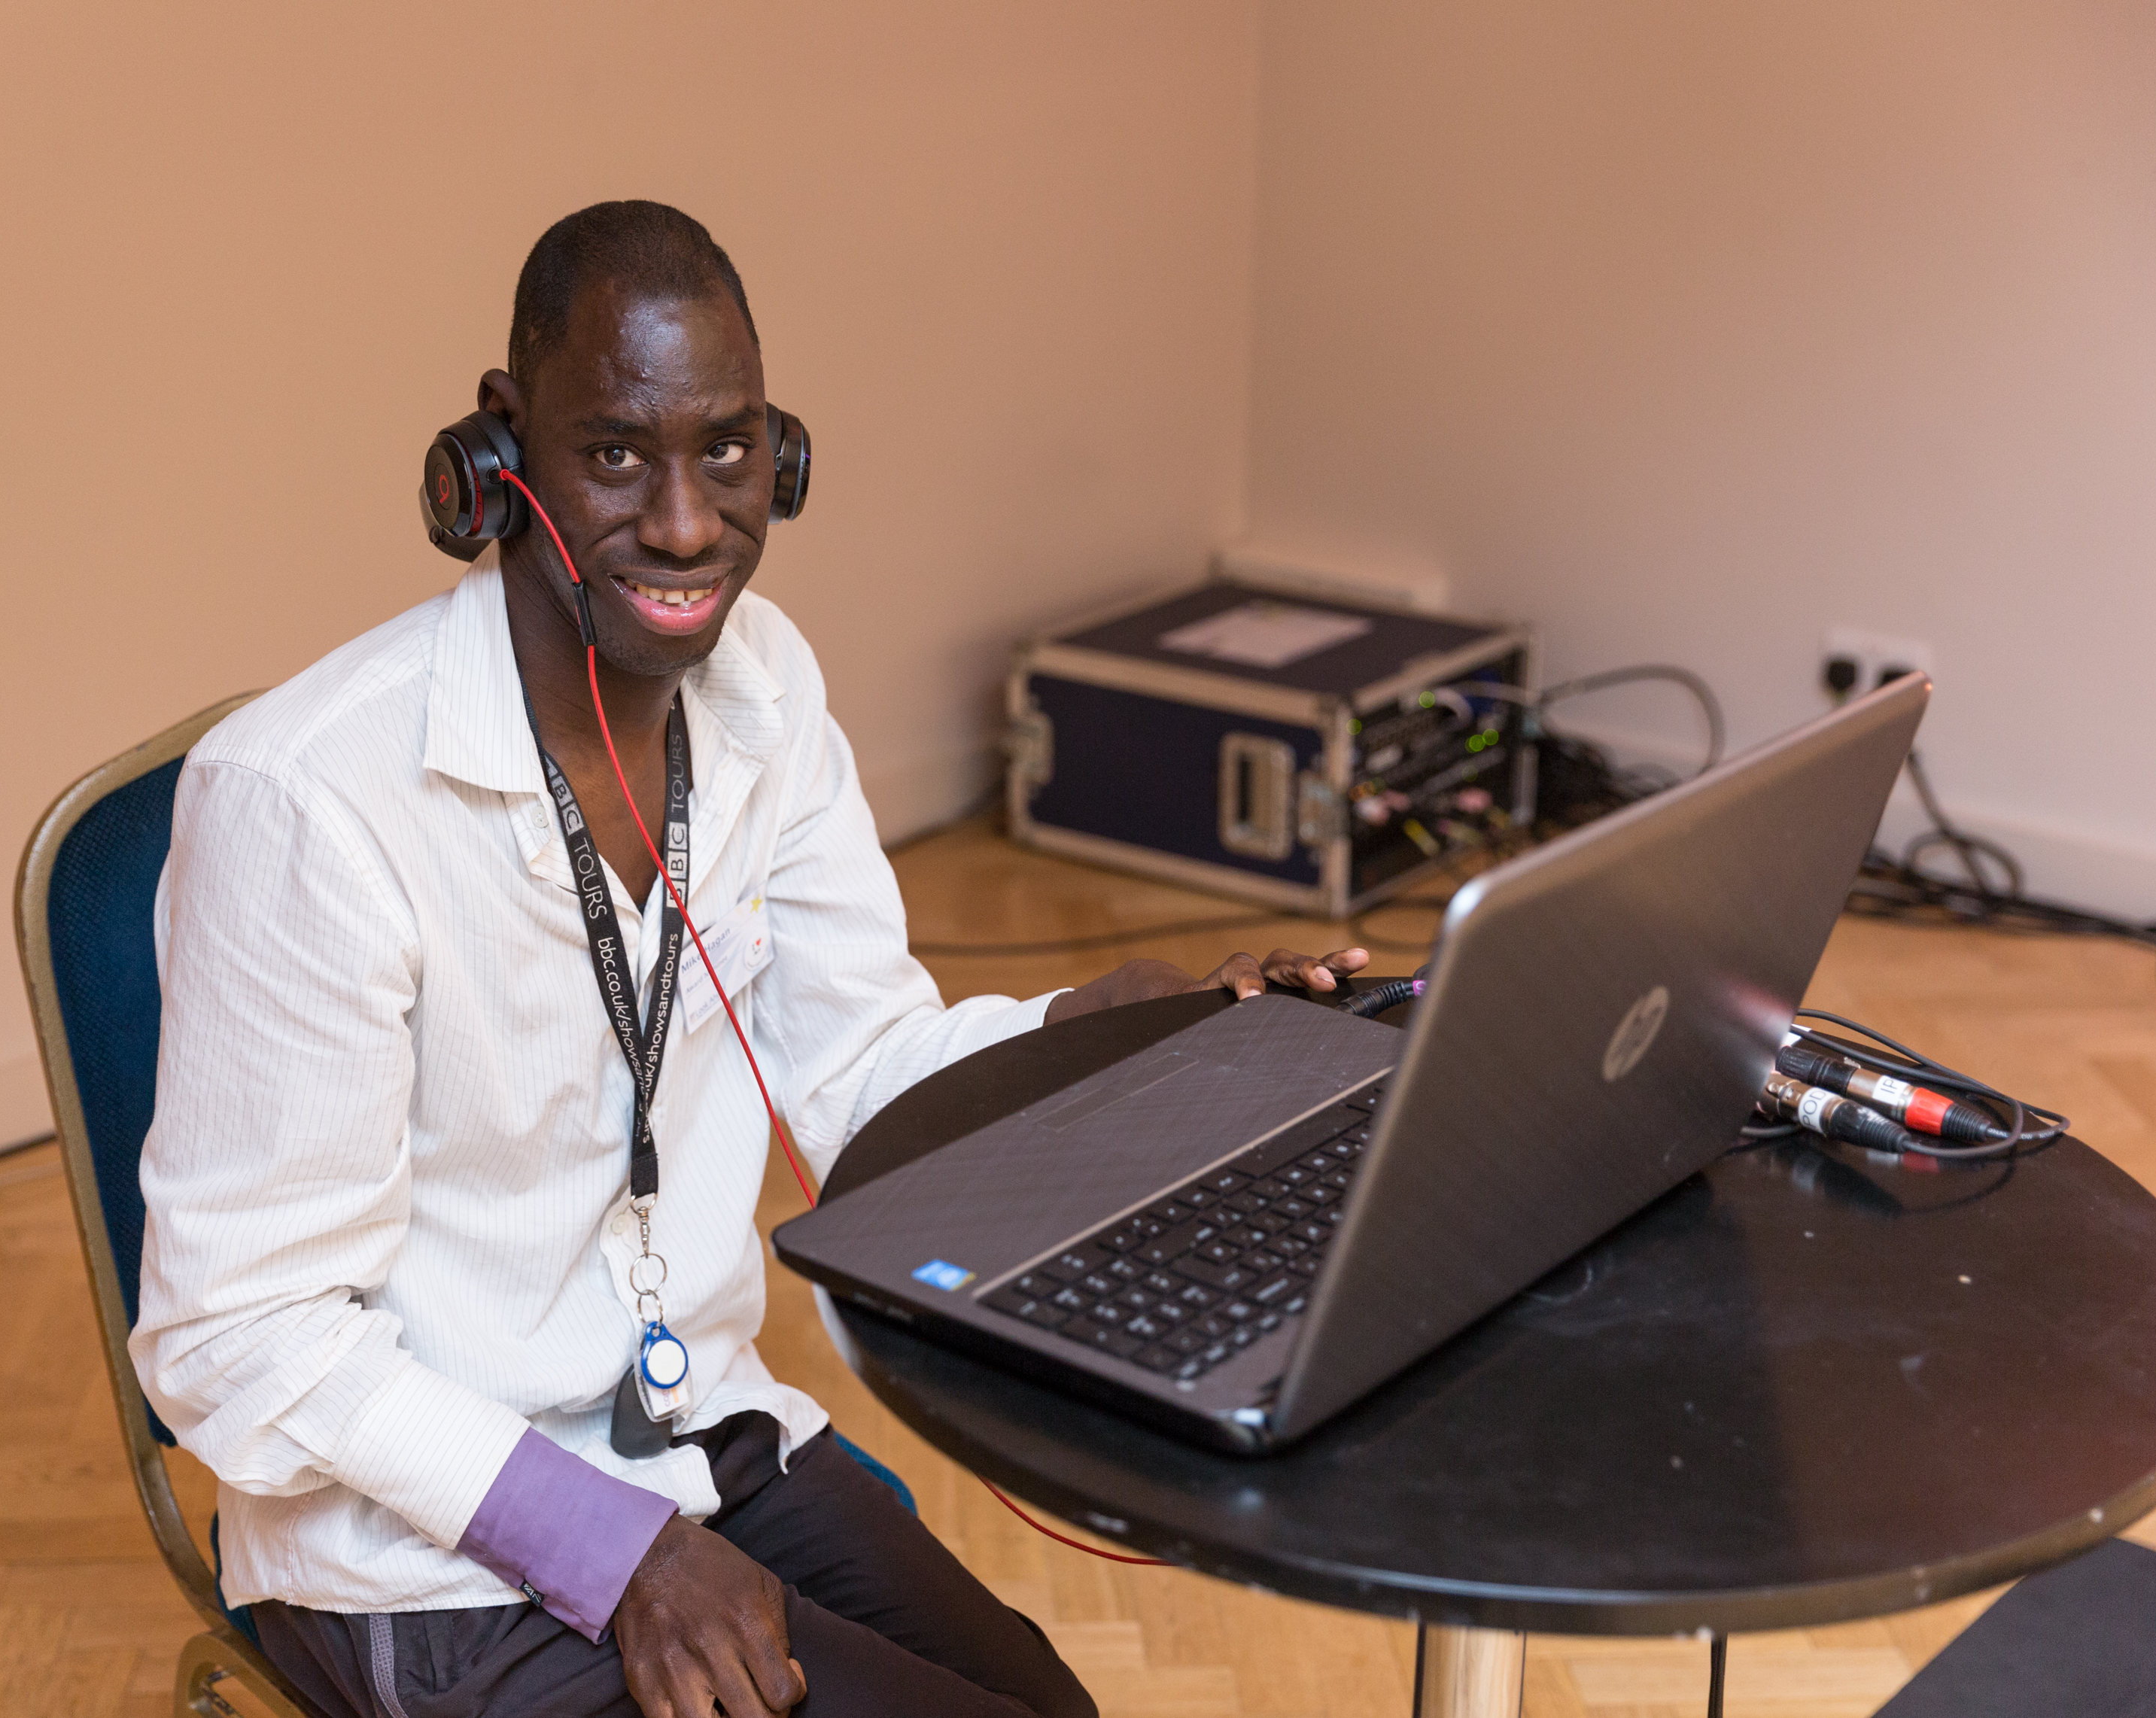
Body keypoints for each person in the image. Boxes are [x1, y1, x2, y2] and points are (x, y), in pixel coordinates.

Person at [130, 200, 1366, 1718]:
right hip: (416, 1553)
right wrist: (616, 1551)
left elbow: (856, 1084)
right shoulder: (309, 803)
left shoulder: (764, 688)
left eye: (726, 451)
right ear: (496, 455)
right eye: (615, 456)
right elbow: (237, 1335)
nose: (684, 524)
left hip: (695, 1429)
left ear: (778, 453)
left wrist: (1096, 1031)